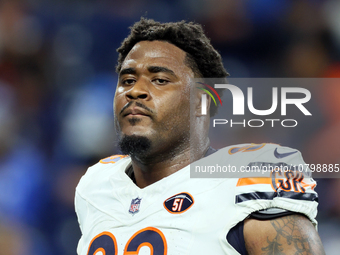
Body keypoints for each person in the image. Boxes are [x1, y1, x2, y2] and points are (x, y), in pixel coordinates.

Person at [75, 18, 325, 255]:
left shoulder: (249, 177)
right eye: (127, 80)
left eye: (160, 80)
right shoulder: (97, 184)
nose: (136, 91)